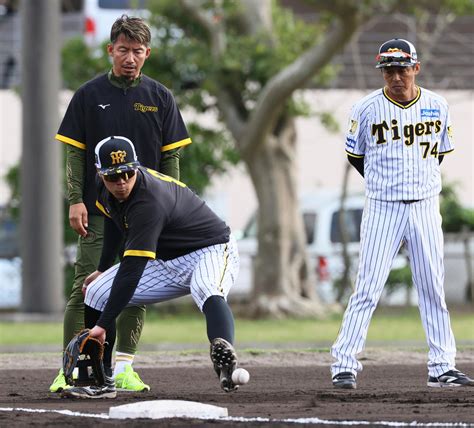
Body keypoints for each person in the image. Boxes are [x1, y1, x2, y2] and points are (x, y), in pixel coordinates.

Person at [50, 15, 192, 393]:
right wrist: (76, 200)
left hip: (145, 214)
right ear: (111, 49)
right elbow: (75, 157)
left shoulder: (160, 97)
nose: (130, 57)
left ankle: (124, 368)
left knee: (134, 286)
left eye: (138, 51)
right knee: (85, 286)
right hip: (98, 212)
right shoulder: (88, 95)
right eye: (124, 50)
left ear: (148, 53)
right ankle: (70, 369)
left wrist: (173, 208)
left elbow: (171, 161)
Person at [330, 38, 474, 389]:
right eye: (389, 70)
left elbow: (439, 153)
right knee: (367, 288)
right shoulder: (365, 109)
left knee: (432, 289)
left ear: (416, 68)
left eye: (402, 69)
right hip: (383, 207)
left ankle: (442, 366)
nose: (396, 76)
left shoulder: (438, 106)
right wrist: (387, 183)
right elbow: (356, 157)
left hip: (425, 206)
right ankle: (343, 364)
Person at [61, 136, 240, 399]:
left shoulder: (148, 201)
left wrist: (102, 325)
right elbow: (113, 221)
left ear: (137, 167)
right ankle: (102, 382)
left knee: (206, 288)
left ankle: (224, 356)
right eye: (113, 176)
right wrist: (102, 267)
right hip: (165, 260)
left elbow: (132, 270)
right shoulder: (102, 190)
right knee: (97, 291)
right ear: (100, 174)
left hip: (210, 249)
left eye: (127, 173)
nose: (121, 182)